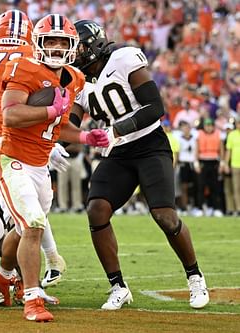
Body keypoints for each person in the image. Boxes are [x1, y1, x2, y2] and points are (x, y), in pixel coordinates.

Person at [70, 20, 209, 310]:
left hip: (148, 145)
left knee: (164, 216)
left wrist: (116, 130)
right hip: (117, 152)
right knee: (97, 209)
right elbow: (70, 125)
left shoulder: (123, 59)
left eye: (79, 46)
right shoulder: (76, 81)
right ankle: (118, 286)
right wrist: (55, 147)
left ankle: (195, 276)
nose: (75, 53)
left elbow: (156, 108)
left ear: (95, 44)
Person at [0, 14, 109, 322]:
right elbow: (10, 115)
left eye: (61, 41)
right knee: (34, 225)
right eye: (49, 40)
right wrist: (50, 109)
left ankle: (1, 275)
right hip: (11, 160)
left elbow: (57, 127)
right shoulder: (24, 67)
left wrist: (84, 136)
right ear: (37, 43)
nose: (55, 47)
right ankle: (32, 297)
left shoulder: (75, 78)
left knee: (23, 228)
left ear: (72, 46)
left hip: (39, 166)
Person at [0, 11, 70, 288]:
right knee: (23, 216)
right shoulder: (34, 55)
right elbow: (44, 98)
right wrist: (48, 140)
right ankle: (25, 277)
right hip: (7, 138)